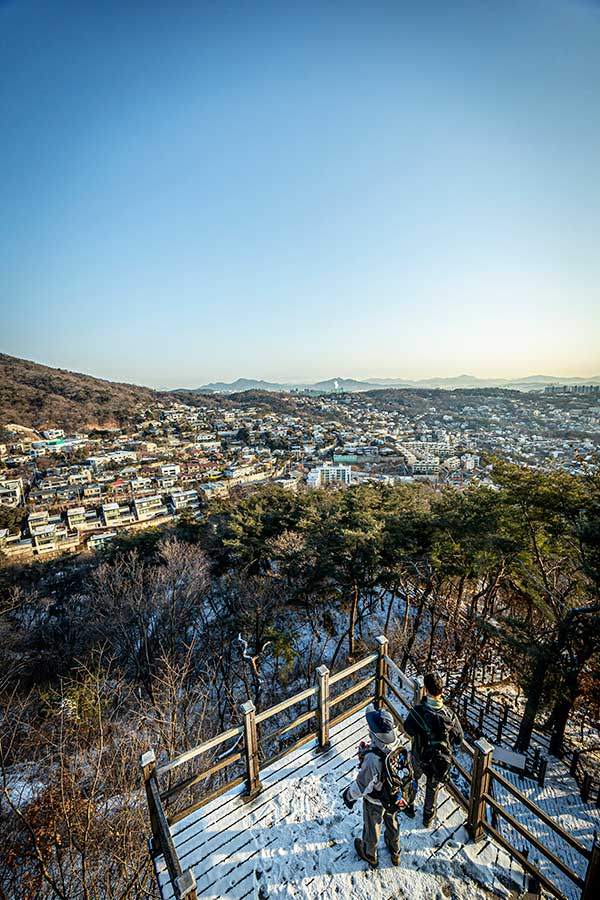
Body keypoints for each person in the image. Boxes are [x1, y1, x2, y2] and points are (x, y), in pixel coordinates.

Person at [341, 705, 402, 868]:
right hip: (395, 794)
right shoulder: (397, 742)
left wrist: (348, 796)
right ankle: (395, 850)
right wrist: (368, 751)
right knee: (392, 820)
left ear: (375, 734)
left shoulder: (373, 759)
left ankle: (370, 853)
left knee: (372, 826)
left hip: (376, 799)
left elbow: (362, 786)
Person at [403, 671, 464, 827]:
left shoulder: (418, 711)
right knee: (432, 786)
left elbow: (408, 729)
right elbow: (459, 739)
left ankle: (409, 805)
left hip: (420, 755)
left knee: (414, 778)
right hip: (439, 760)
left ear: (426, 690)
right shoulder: (450, 715)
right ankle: (428, 816)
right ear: (441, 691)